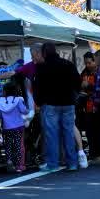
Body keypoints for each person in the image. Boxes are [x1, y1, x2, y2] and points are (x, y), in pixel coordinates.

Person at [33, 43, 81, 172]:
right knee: (68, 132)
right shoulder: (68, 64)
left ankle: (53, 164)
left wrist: (38, 101)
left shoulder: (41, 67)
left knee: (51, 135)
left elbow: (37, 87)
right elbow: (78, 82)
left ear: (44, 53)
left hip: (50, 104)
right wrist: (74, 96)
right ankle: (72, 163)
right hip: (68, 102)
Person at [0, 81, 30, 173]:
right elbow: (24, 111)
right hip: (18, 126)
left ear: (4, 91)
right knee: (18, 145)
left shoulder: (0, 101)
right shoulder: (18, 100)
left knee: (8, 145)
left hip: (7, 127)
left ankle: (9, 161)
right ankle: (19, 165)